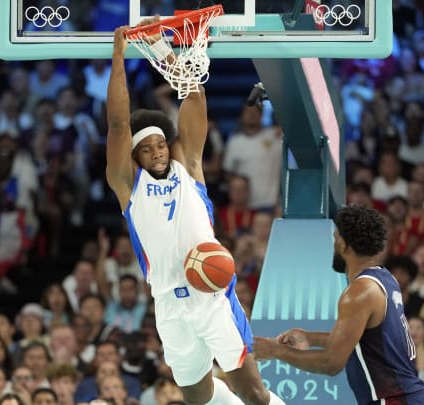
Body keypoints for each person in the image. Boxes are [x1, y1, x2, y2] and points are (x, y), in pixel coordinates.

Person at [106, 21, 284, 405]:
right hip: (168, 302)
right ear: (134, 157)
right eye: (146, 148)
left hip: (212, 294)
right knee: (198, 397)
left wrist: (163, 51)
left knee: (254, 393)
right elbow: (119, 124)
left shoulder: (189, 166)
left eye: (160, 144)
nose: (157, 151)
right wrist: (119, 55)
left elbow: (196, 97)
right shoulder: (128, 186)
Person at [253, 206, 424, 404]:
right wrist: (311, 338)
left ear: (345, 245)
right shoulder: (385, 278)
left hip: (393, 400)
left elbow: (331, 363)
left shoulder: (359, 292)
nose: (334, 245)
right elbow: (366, 341)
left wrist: (275, 351)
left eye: (336, 239)